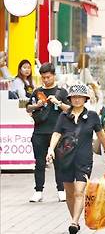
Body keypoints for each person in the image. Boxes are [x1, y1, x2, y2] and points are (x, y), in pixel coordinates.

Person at [45, 84, 105, 234]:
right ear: (69, 99)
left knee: (79, 191)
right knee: (69, 191)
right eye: (73, 97)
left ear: (85, 99)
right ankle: (74, 217)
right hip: (64, 158)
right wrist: (50, 149)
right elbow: (56, 133)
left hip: (84, 158)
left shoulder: (93, 116)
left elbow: (101, 135)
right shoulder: (63, 116)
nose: (76, 99)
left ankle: (74, 222)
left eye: (79, 97)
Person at [26, 63, 70, 203]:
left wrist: (58, 103)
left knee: (60, 162)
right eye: (43, 77)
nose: (46, 80)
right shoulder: (37, 92)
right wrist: (37, 105)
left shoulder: (61, 92)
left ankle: (61, 190)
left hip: (58, 133)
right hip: (39, 132)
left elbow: (70, 110)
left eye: (48, 77)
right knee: (39, 163)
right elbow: (28, 108)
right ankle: (38, 191)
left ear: (53, 76)